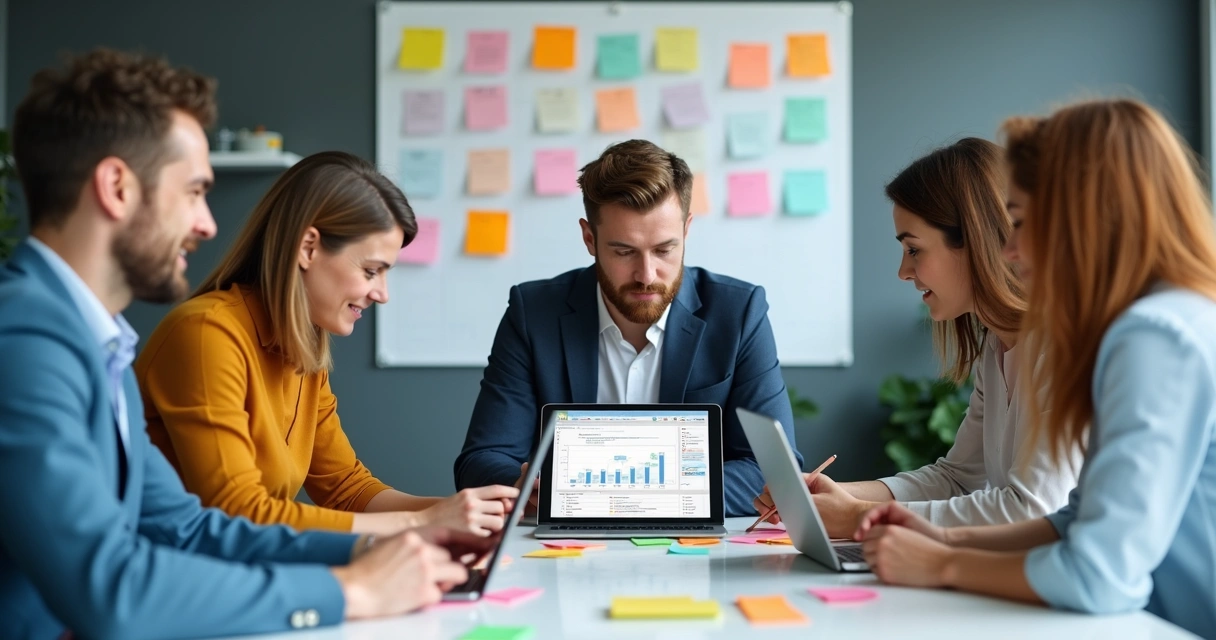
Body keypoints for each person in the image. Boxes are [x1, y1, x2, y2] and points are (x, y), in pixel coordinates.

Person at [0, 49, 491, 639]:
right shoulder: (25, 341)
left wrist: (401, 544)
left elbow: (191, 528)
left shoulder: (96, 345)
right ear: (116, 187)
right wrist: (350, 591)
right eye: (193, 191)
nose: (207, 223)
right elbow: (112, 589)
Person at [853, 99, 1216, 639]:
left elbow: (1097, 573)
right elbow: (1074, 520)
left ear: (1085, 215)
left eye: (1019, 222)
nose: (1010, 248)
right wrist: (943, 540)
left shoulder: (1152, 337)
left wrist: (943, 564)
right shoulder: (1156, 323)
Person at [135, 151, 518, 536]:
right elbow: (239, 512)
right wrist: (423, 523)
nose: (382, 294)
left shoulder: (301, 351)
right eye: (371, 271)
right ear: (308, 248)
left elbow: (347, 490)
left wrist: (474, 511)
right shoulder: (206, 334)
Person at [453, 139, 801, 516]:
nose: (647, 275)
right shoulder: (533, 313)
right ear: (590, 238)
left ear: (686, 231)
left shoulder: (738, 313)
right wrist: (527, 488)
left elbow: (776, 474)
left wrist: (605, 495)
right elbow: (482, 461)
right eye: (624, 252)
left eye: (665, 249)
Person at [753, 139, 1080, 537]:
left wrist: (859, 518)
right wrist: (834, 497)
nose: (903, 272)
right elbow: (957, 479)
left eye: (914, 250)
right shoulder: (997, 351)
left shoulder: (1065, 351)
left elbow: (1031, 509)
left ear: (975, 243)